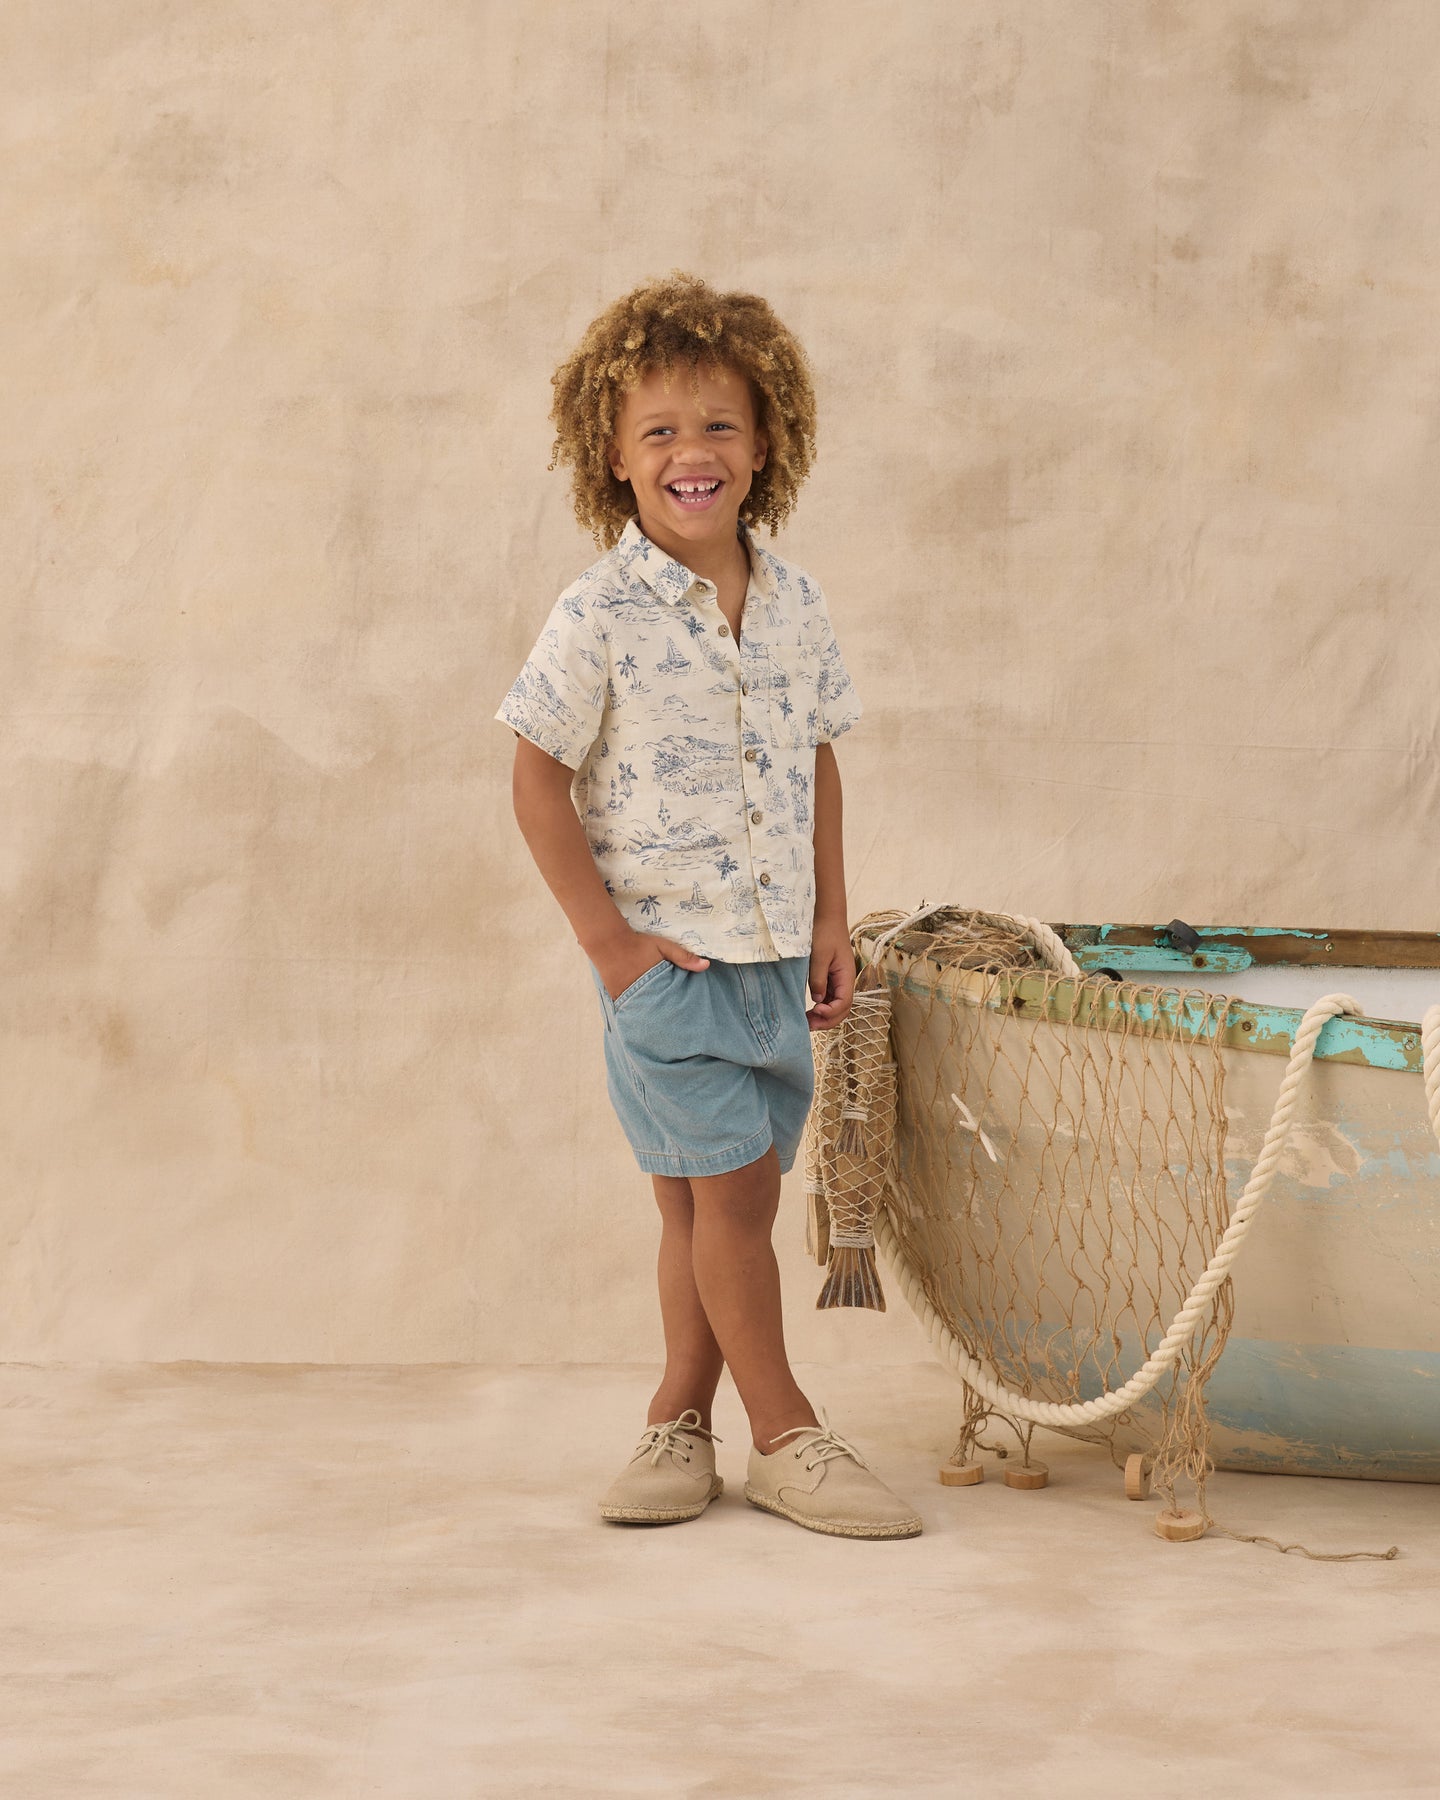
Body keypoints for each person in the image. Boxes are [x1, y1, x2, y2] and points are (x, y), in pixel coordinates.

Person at [494, 271, 921, 1540]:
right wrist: (612, 948)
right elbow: (535, 775)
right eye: (661, 432)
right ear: (614, 458)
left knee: (695, 1204)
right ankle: (786, 1434)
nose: (695, 453)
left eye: (721, 425)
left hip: (775, 961)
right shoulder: (600, 610)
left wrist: (832, 920)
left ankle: (678, 1418)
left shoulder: (796, 605)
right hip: (668, 971)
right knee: (736, 1199)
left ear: (767, 442)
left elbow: (816, 761)